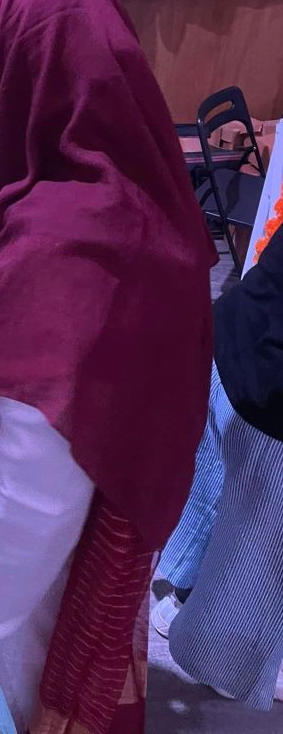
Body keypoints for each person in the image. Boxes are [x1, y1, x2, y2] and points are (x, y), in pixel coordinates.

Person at [0, 0, 217, 734]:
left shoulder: (58, 252)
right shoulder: (149, 199)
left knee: (20, 704)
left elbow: (40, 483)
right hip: (115, 519)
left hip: (39, 573)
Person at [151, 222, 283, 707]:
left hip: (234, 335)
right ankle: (217, 635)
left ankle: (183, 591)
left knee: (212, 493)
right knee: (250, 559)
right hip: (265, 390)